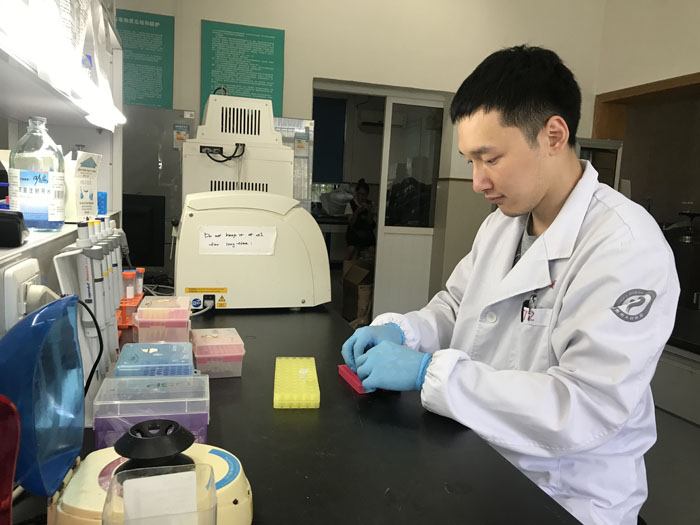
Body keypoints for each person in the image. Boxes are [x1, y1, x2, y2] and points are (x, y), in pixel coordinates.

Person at [341, 45, 679, 525]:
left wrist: (429, 373)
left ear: (553, 135)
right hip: (479, 460)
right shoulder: (504, 222)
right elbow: (458, 305)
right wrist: (404, 331)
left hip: (564, 494)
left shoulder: (625, 246)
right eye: (469, 161)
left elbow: (583, 407)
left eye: (490, 158)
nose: (478, 181)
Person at [345, 178, 376, 260]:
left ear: (367, 195)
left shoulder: (371, 204)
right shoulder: (350, 204)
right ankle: (346, 266)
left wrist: (369, 211)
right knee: (351, 250)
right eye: (359, 194)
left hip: (367, 232)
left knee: (372, 250)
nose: (361, 197)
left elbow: (370, 222)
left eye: (364, 195)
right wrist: (357, 212)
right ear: (356, 193)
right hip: (354, 232)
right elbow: (351, 223)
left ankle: (368, 267)